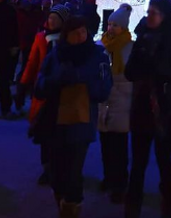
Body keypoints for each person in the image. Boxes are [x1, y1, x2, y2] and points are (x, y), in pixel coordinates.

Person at [125, 0, 171, 218]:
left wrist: (155, 69)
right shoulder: (142, 37)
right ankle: (132, 207)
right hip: (141, 108)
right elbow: (129, 71)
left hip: (164, 110)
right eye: (147, 12)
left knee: (163, 160)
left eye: (153, 13)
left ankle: (170, 205)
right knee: (138, 162)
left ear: (164, 16)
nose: (149, 16)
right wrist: (141, 66)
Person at [32, 16, 112, 218]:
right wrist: (56, 80)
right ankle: (62, 203)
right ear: (66, 35)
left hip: (81, 121)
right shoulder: (56, 55)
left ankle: (71, 208)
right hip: (55, 120)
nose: (80, 36)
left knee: (74, 170)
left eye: (83, 31)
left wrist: (83, 82)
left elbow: (104, 90)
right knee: (57, 171)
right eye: (75, 33)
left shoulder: (97, 56)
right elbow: (39, 87)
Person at [20, 3, 70, 184]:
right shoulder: (41, 38)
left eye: (56, 19)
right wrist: (24, 82)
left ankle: (61, 167)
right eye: (51, 18)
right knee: (44, 133)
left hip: (63, 93)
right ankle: (47, 168)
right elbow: (32, 62)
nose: (52, 21)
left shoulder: (69, 40)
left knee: (61, 134)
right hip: (44, 90)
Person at [98, 3, 135, 204]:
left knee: (119, 146)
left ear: (124, 27)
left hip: (122, 100)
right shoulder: (101, 45)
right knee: (105, 143)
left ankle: (120, 183)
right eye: (109, 24)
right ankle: (108, 177)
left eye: (115, 25)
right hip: (104, 100)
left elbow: (134, 73)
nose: (111, 28)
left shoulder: (130, 47)